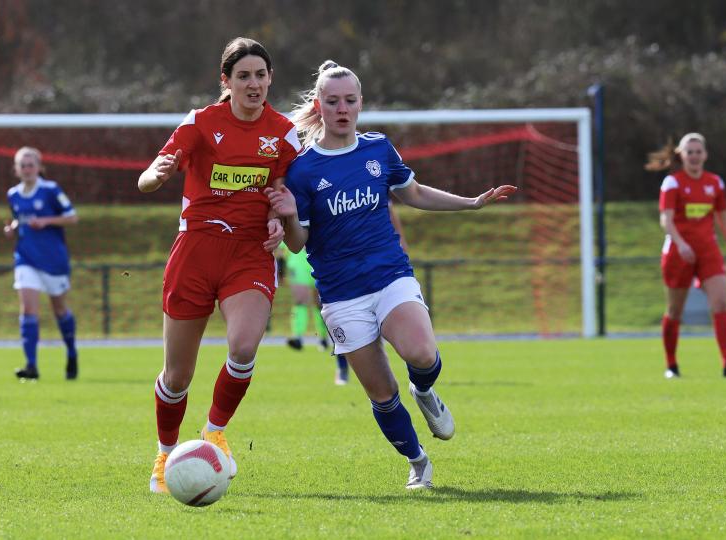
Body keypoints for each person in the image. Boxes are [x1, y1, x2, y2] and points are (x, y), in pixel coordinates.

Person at [267, 61, 516, 489]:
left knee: (421, 353)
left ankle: (424, 391)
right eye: (332, 101)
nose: (342, 108)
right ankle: (418, 463)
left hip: (389, 276)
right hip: (341, 294)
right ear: (319, 105)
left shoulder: (378, 149)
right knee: (381, 393)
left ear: (360, 103)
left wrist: (472, 203)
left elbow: (413, 192)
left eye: (349, 100)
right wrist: (289, 217)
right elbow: (296, 243)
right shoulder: (304, 170)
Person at [137, 37, 298, 494]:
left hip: (249, 253)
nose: (254, 84)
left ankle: (214, 433)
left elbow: (283, 194)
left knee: (244, 346)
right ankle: (166, 455)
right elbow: (150, 176)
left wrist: (278, 221)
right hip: (196, 251)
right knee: (177, 375)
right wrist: (158, 174)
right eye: (243, 76)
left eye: (261, 75)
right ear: (225, 81)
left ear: (270, 79)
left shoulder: (284, 133)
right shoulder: (202, 123)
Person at [650, 133, 726, 379]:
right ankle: (671, 365)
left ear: (705, 154)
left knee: (720, 303)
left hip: (708, 251)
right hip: (678, 253)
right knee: (675, 311)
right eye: (689, 152)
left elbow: (723, 219)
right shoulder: (672, 183)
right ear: (681, 155)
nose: (694, 156)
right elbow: (666, 220)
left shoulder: (715, 183)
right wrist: (681, 244)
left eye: (698, 151)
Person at [3, 146, 80, 380]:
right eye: (22, 165)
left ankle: (71, 351)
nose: (27, 169)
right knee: (27, 309)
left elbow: (72, 217)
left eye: (30, 165)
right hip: (25, 257)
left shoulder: (50, 190)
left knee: (59, 310)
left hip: (53, 260)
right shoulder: (13, 195)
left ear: (39, 167)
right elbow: (19, 221)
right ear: (16, 170)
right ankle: (31, 366)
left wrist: (46, 220)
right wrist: (12, 229)